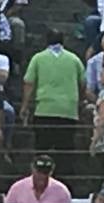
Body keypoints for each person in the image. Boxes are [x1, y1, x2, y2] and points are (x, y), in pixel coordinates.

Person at [21, 30, 85, 172]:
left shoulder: (38, 58)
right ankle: (65, 179)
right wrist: (79, 102)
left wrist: (25, 106)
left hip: (44, 109)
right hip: (68, 111)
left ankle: (40, 175)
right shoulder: (74, 59)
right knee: (65, 152)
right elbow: (83, 83)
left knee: (42, 149)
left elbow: (29, 82)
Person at [3, 154, 73, 203]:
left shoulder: (62, 192)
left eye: (45, 173)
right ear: (32, 169)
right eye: (39, 172)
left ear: (51, 172)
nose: (42, 176)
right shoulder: (17, 189)